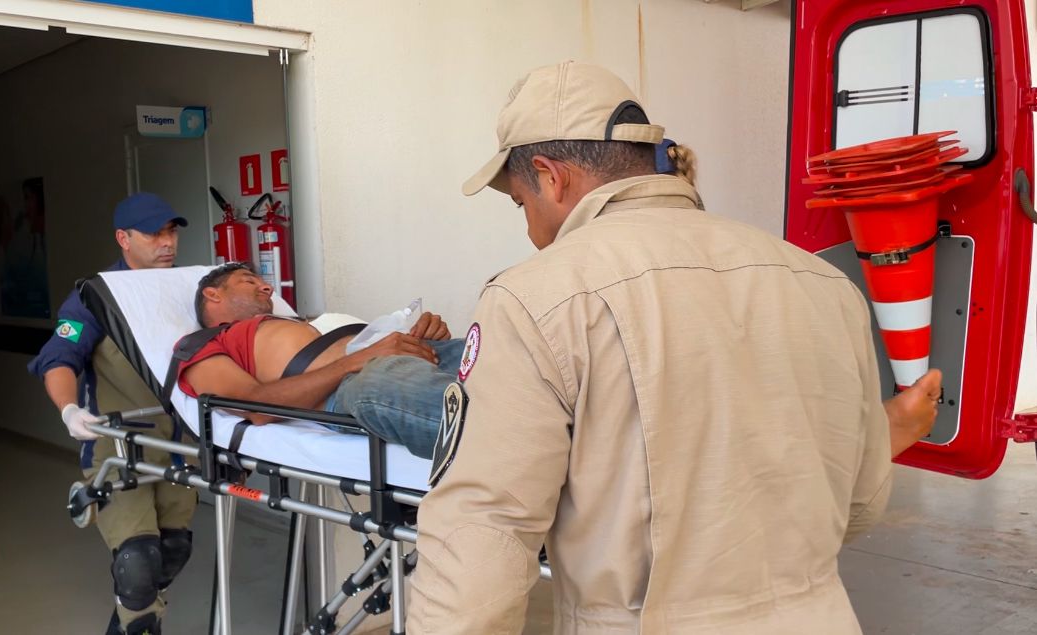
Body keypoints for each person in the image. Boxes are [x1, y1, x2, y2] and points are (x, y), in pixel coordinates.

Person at [406, 61, 942, 634]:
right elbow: (859, 503)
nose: (532, 231)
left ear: (551, 176)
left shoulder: (537, 298)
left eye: (521, 204)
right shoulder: (823, 283)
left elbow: (482, 539)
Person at [28, 193, 193, 635]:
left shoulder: (188, 290)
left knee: (173, 551)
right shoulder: (94, 297)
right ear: (123, 238)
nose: (167, 242)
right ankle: (139, 619)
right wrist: (68, 409)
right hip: (121, 450)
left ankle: (130, 620)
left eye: (171, 231)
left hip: (181, 449)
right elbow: (59, 357)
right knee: (137, 563)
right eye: (154, 233)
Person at [175, 262, 461, 460]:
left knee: (480, 349)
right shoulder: (203, 344)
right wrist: (360, 359)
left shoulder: (301, 323)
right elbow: (254, 406)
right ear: (213, 294)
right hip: (359, 383)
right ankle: (488, 441)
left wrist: (422, 338)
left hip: (410, 358)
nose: (267, 288)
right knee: (382, 383)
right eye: (249, 281)